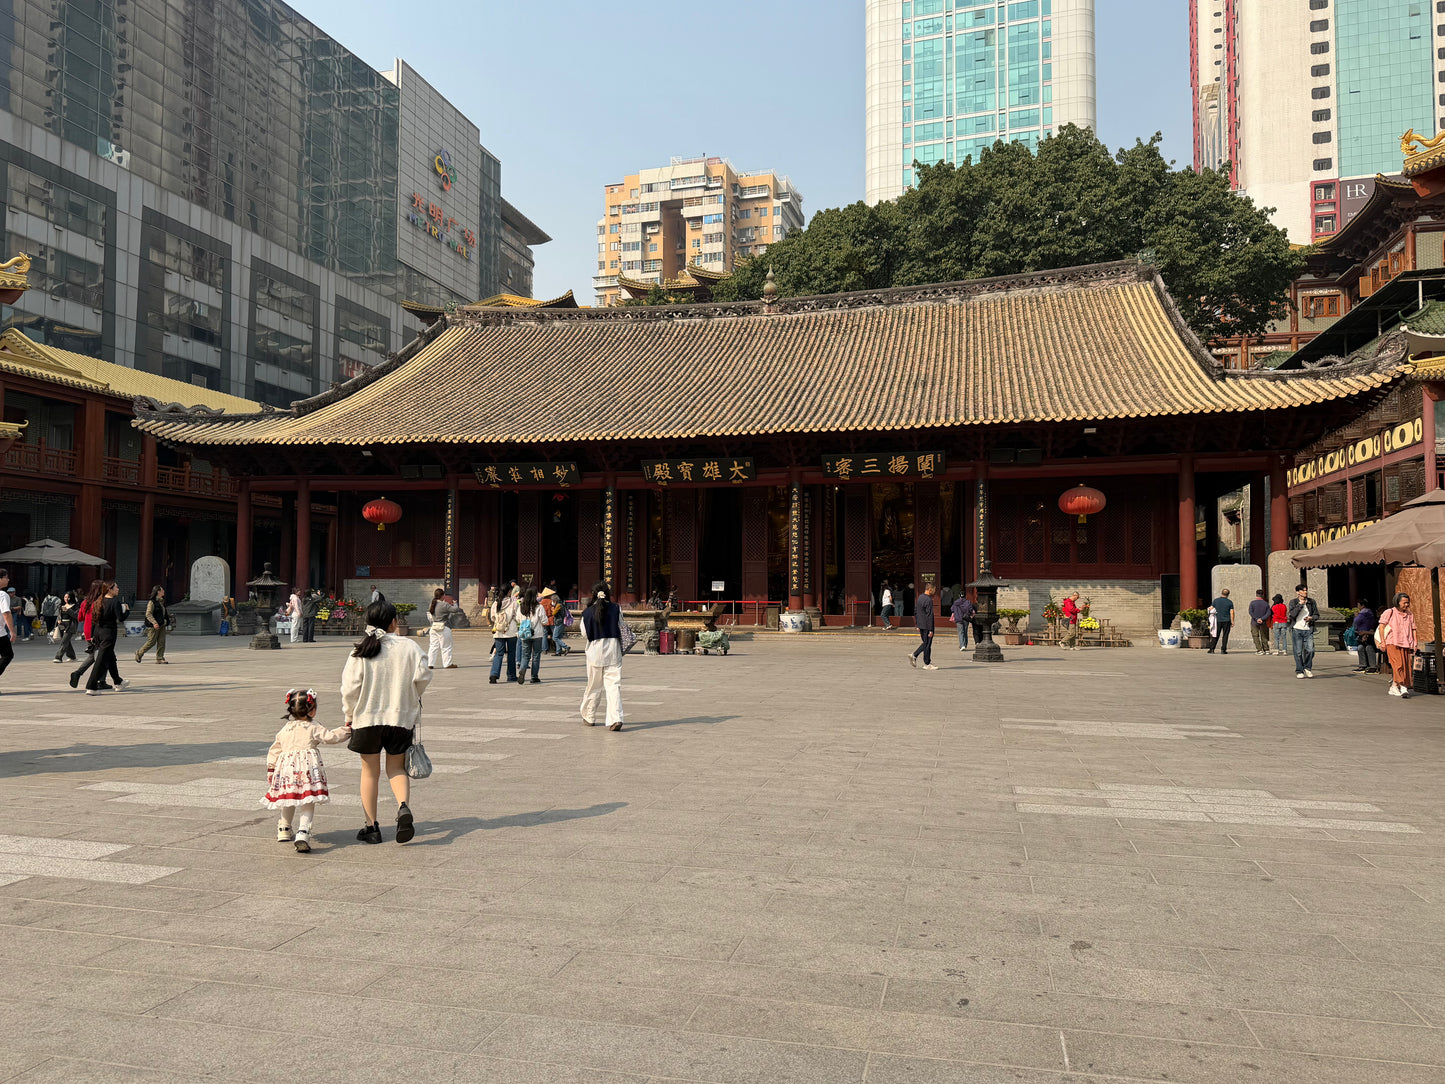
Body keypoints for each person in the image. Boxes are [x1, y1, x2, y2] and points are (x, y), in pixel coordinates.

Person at [341, 599, 431, 844]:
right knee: (396, 768)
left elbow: (350, 689)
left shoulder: (360, 651)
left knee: (370, 772)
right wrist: (412, 694)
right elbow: (423, 676)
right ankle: (403, 807)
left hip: (367, 719)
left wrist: (349, 715)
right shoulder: (410, 647)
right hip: (400, 718)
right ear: (394, 622)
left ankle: (371, 827)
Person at [264, 688, 352, 853]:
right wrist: (347, 730)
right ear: (312, 710)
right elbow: (331, 737)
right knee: (307, 800)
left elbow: (275, 749)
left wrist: (271, 768)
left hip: (287, 771)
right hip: (306, 771)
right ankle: (303, 832)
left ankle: (284, 828)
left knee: (288, 798)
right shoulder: (313, 727)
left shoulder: (286, 728)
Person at [580, 581, 625, 730]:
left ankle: (589, 715)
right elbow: (622, 626)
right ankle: (616, 718)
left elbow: (584, 633)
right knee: (613, 686)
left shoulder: (587, 613)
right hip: (613, 650)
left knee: (594, 685)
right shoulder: (616, 608)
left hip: (594, 651)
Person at [85, 582, 128, 695]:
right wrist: (127, 611)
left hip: (98, 632)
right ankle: (91, 686)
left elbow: (94, 619)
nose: (118, 589)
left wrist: (93, 635)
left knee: (110, 657)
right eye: (116, 587)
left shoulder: (99, 601)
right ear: (110, 589)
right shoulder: (115, 602)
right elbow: (121, 618)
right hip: (108, 633)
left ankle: (118, 682)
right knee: (101, 660)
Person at [1377, 592, 1419, 699]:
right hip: (1392, 642)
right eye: (1404, 602)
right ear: (1397, 602)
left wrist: (1415, 643)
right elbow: (1382, 627)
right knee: (1397, 665)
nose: (1406, 605)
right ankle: (1403, 685)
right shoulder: (1389, 612)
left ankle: (1395, 686)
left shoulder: (1410, 614)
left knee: (1405, 665)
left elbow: (1414, 629)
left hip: (1406, 643)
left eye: (1408, 603)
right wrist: (1383, 642)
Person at [69, 580, 104, 688]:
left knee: (94, 656)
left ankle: (80, 674)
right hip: (98, 632)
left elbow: (80, 618)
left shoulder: (85, 602)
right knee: (102, 656)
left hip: (88, 632)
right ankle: (97, 680)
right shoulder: (100, 602)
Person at [487, 584, 520, 685]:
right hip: (511, 631)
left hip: (499, 631)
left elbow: (492, 618)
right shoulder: (514, 603)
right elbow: (518, 617)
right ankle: (511, 676)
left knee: (499, 653)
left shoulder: (495, 604)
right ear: (509, 592)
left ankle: (494, 674)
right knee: (511, 654)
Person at [515, 586, 547, 685]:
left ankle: (523, 668)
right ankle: (534, 676)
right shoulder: (539, 607)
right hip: (537, 634)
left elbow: (518, 619)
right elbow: (544, 620)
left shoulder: (521, 606)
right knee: (536, 655)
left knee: (525, 655)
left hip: (525, 633)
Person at [1287, 583, 1319, 678]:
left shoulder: (1311, 602)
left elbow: (1317, 615)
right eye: (1303, 590)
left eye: (1306, 590)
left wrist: (1311, 618)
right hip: (1297, 629)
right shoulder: (1293, 602)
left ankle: (1307, 668)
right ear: (1298, 592)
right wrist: (1300, 605)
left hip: (1308, 629)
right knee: (1298, 652)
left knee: (1310, 650)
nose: (1305, 592)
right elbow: (1292, 615)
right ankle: (1299, 670)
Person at [135, 586, 171, 664]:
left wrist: (166, 621)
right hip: (153, 626)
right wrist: (154, 622)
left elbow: (164, 613)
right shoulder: (152, 602)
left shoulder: (162, 602)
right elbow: (148, 614)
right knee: (151, 641)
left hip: (162, 624)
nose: (163, 591)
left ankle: (160, 658)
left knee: (161, 642)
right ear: (158, 592)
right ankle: (139, 653)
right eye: (162, 590)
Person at [426, 588, 459, 670]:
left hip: (433, 627)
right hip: (443, 627)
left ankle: (430, 663)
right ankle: (447, 663)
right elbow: (455, 610)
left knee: (433, 646)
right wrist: (455, 604)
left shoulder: (432, 604)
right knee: (446, 647)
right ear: (442, 596)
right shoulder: (444, 605)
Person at [910, 583, 939, 670]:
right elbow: (929, 615)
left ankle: (927, 662)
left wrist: (917, 624)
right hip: (927, 625)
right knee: (927, 643)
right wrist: (931, 629)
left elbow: (916, 611)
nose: (935, 591)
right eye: (934, 590)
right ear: (930, 589)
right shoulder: (928, 600)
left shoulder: (920, 598)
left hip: (921, 624)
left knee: (926, 644)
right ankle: (915, 655)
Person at [1351, 600, 1380, 674]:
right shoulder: (1364, 614)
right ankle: (1363, 665)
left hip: (1373, 638)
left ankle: (1373, 666)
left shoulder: (1368, 614)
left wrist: (1366, 633)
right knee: (1360, 647)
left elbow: (1373, 629)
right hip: (1364, 635)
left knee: (1369, 647)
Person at [53, 591, 79, 663]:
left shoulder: (75, 606)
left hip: (70, 625)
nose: (66, 599)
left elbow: (76, 616)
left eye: (68, 597)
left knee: (64, 641)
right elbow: (59, 615)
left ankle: (58, 657)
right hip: (62, 625)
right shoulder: (61, 606)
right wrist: (58, 621)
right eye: (65, 597)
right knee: (67, 642)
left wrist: (68, 610)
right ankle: (72, 656)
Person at [1207, 588, 1234, 655]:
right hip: (1227, 620)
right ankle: (1223, 650)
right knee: (1225, 635)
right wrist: (1232, 621)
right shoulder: (1230, 602)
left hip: (1217, 620)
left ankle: (1212, 649)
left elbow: (1211, 608)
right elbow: (1232, 612)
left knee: (1215, 634)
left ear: (1221, 593)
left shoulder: (1216, 601)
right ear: (1228, 595)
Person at [1247, 589, 1271, 655]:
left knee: (1255, 636)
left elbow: (1250, 612)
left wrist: (1257, 618)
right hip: (1263, 622)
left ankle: (1259, 650)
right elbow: (1268, 613)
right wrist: (1262, 619)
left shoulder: (1252, 603)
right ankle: (1266, 649)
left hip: (1254, 622)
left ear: (1256, 594)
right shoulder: (1266, 603)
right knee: (1264, 636)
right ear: (1262, 595)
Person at [0, 568, 13, 690]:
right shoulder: (3, 595)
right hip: (0, 633)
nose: (8, 580)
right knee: (7, 655)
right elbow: (6, 613)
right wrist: (12, 631)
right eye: (6, 577)